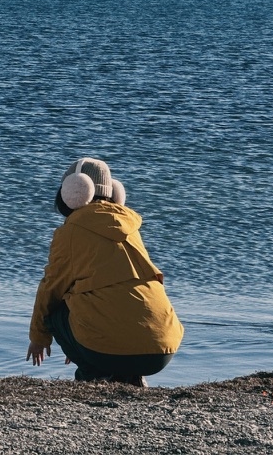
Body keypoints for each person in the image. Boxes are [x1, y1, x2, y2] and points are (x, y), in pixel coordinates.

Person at [26, 157, 183, 384]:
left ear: (72, 190)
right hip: (162, 350)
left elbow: (50, 288)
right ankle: (129, 376)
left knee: (56, 310)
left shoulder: (70, 232)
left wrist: (39, 338)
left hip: (106, 347)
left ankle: (94, 373)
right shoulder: (129, 227)